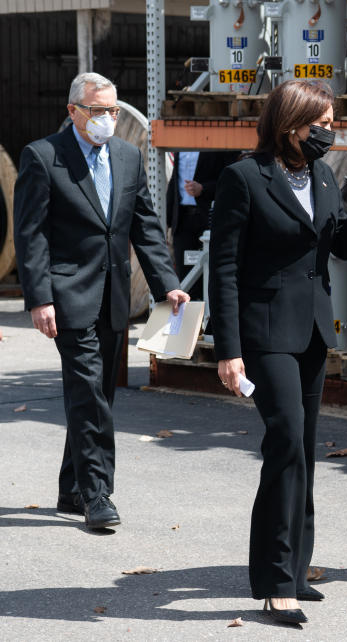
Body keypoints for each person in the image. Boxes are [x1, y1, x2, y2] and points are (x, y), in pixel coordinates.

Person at [209, 79, 347, 625]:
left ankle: (295, 569)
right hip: (262, 334)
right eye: (321, 124)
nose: (329, 132)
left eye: (332, 122)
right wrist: (228, 350)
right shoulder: (244, 178)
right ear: (290, 126)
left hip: (310, 331)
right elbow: (224, 269)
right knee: (284, 438)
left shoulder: (325, 177)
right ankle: (276, 579)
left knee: (302, 448)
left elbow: (342, 247)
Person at [13, 72, 188, 530]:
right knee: (88, 391)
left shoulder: (129, 157)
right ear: (73, 111)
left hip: (113, 298)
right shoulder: (43, 156)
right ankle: (98, 495)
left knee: (97, 393)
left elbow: (145, 228)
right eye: (98, 111)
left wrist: (166, 283)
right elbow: (30, 236)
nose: (108, 118)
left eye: (113, 110)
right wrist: (40, 297)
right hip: (68, 295)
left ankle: (72, 487)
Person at [166, 150, 236, 299]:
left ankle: (209, 319)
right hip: (183, 221)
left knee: (212, 278)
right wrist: (166, 221)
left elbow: (232, 179)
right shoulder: (180, 144)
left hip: (209, 220)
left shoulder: (218, 141)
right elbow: (175, 180)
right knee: (184, 280)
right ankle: (188, 319)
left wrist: (203, 189)